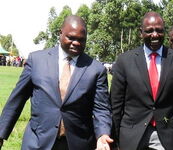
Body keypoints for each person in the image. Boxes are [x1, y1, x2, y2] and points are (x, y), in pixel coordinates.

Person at [0, 15, 113, 150]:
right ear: (60, 34)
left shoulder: (96, 69)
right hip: (38, 142)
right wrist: (1, 134)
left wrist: (102, 134)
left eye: (81, 40)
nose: (76, 43)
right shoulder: (37, 60)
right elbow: (17, 100)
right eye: (71, 38)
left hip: (77, 144)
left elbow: (101, 109)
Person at [110, 12, 173, 150]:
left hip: (167, 137)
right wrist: (115, 141)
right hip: (131, 136)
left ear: (164, 31)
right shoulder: (124, 61)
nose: (154, 35)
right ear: (140, 32)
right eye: (149, 31)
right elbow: (116, 105)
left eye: (159, 30)